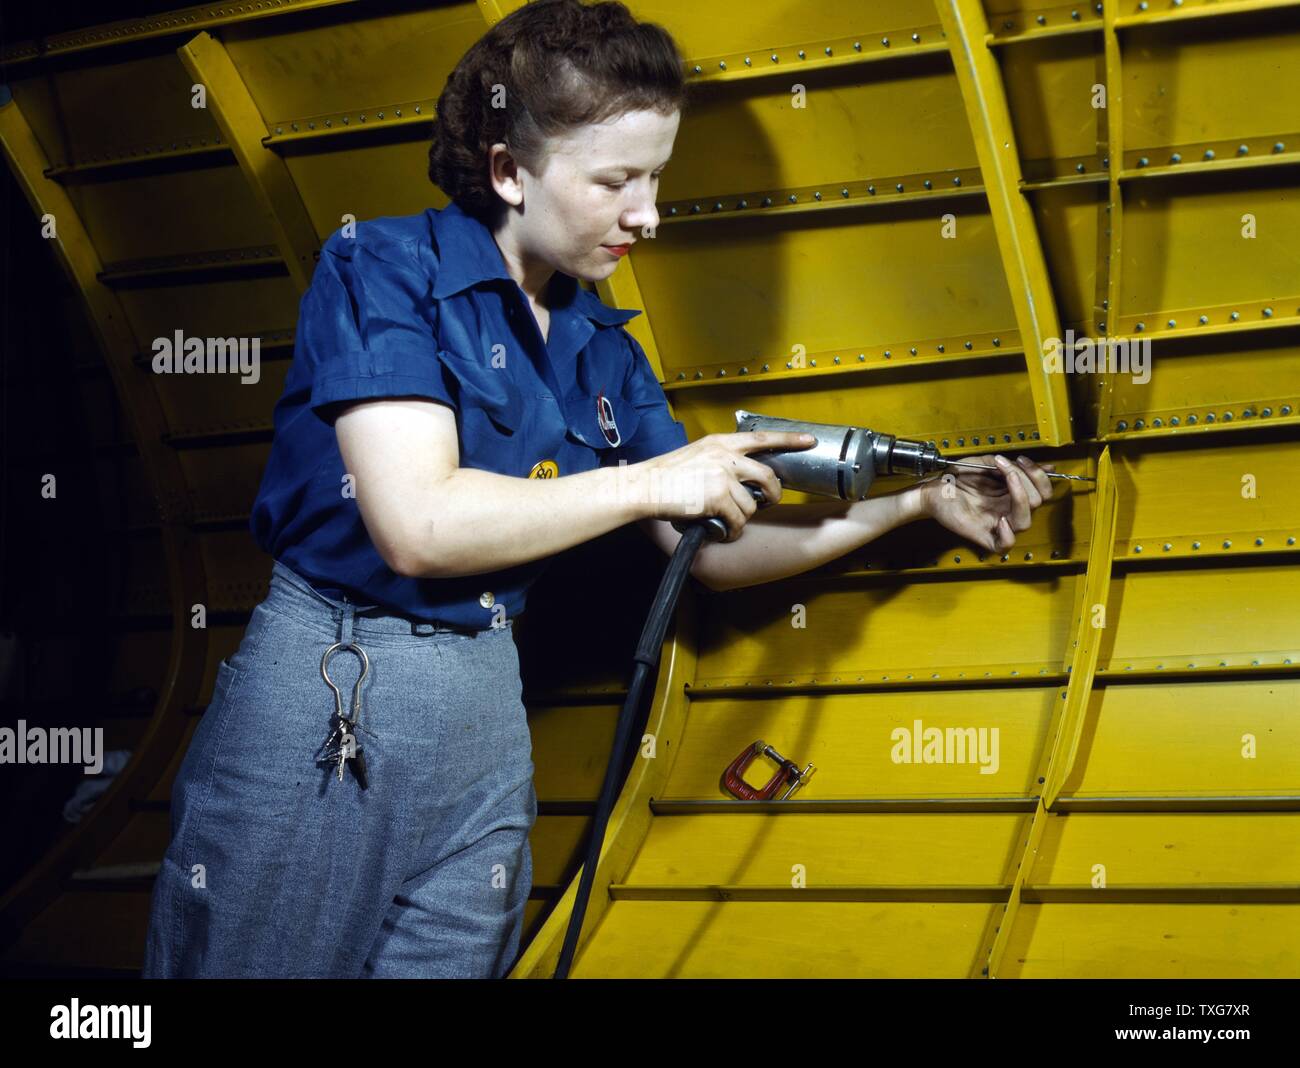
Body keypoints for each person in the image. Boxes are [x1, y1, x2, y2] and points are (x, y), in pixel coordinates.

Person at [142, 0, 1056, 979]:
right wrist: (651, 481)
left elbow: (709, 552)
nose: (648, 214)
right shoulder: (382, 271)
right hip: (340, 683)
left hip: (487, 708)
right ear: (507, 170)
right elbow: (418, 525)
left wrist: (909, 504)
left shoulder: (602, 348)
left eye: (655, 177)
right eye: (615, 180)